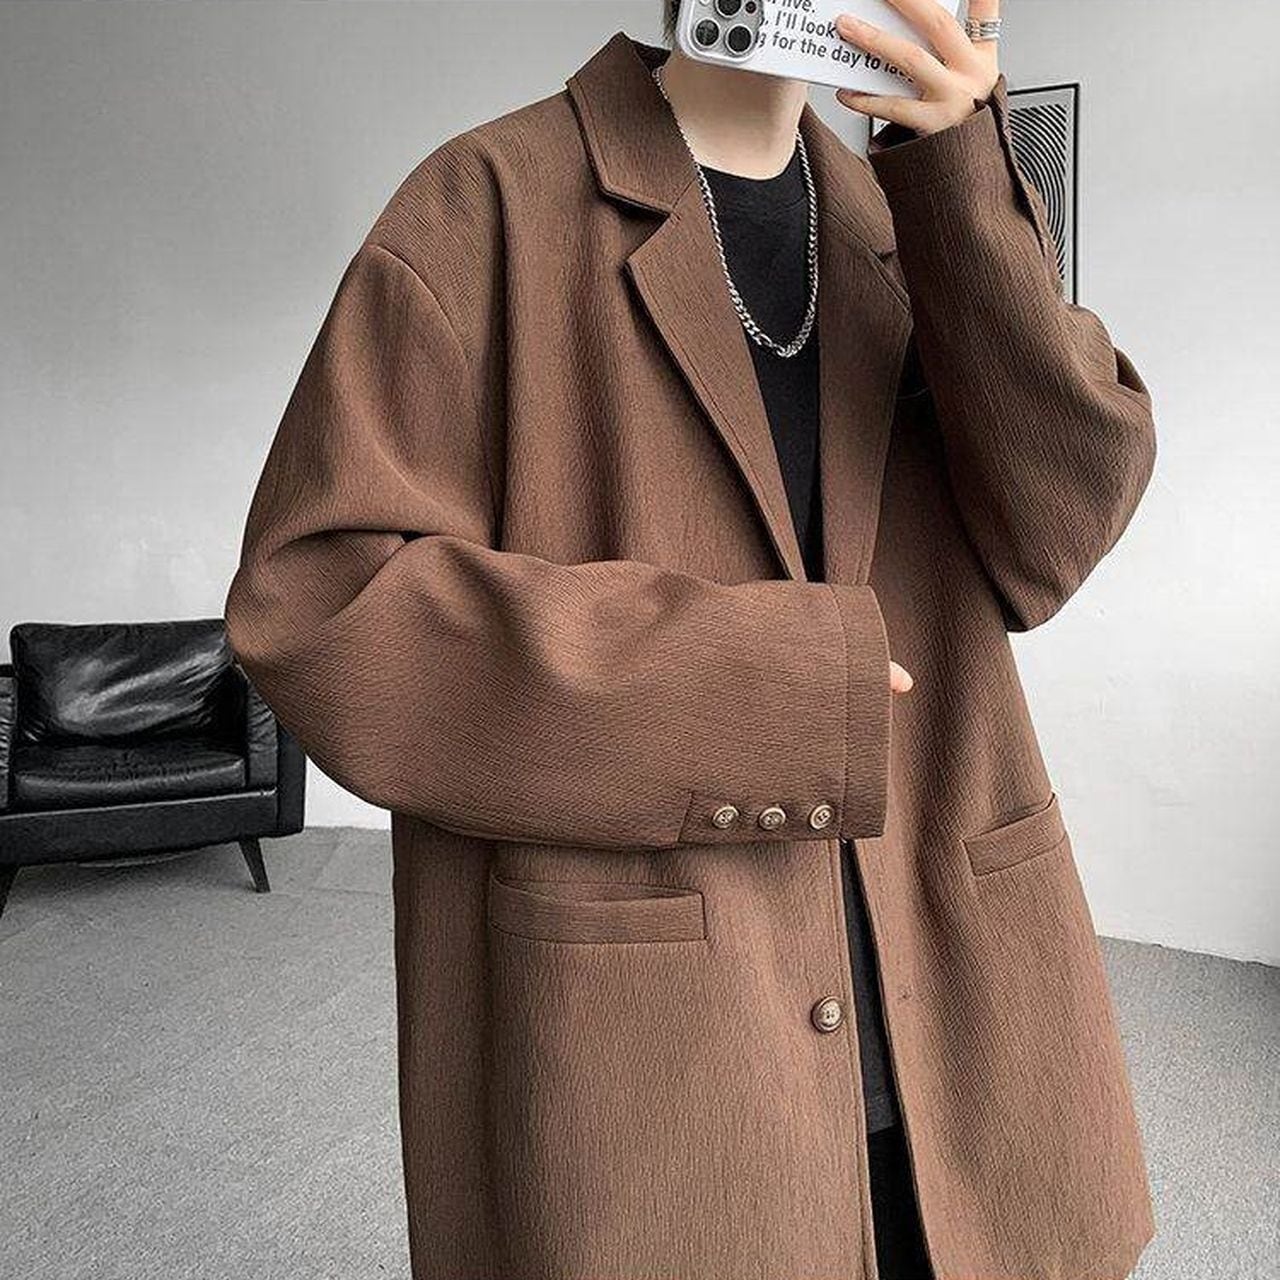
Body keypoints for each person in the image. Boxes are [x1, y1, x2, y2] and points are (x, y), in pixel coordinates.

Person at [224, 3, 1159, 1277]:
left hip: (953, 990)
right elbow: (321, 611)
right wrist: (750, 685)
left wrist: (959, 178)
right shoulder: (480, 206)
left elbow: (1053, 533)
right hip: (657, 1040)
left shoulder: (916, 217)